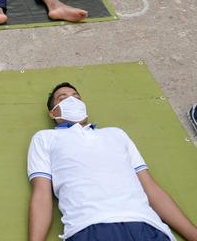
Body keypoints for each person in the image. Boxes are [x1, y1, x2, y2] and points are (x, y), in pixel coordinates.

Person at [27, 82, 197, 241]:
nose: (72, 100)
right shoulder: (45, 138)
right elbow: (41, 194)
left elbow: (151, 188)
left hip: (147, 225)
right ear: (53, 112)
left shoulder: (116, 134)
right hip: (88, 227)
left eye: (77, 97)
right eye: (63, 98)